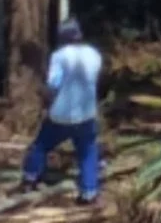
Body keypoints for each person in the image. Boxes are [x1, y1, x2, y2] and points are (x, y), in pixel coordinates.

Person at [23, 18, 102, 202]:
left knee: (41, 145)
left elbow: (53, 84)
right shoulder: (94, 54)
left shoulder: (59, 56)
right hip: (87, 112)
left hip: (62, 114)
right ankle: (89, 192)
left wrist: (44, 100)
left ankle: (30, 177)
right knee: (88, 152)